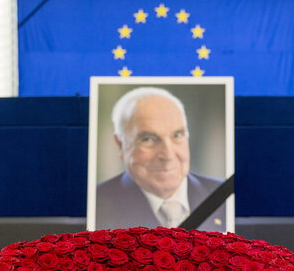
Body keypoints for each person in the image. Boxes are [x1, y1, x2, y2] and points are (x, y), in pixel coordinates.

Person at [96, 87, 225, 231]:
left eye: (177, 135)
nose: (168, 155)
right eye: (148, 139)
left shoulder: (226, 196)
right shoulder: (96, 203)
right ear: (120, 145)